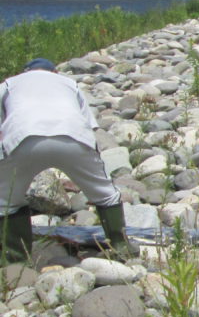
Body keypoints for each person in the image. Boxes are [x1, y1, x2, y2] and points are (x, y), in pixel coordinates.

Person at [0, 58, 136, 262]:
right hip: (72, 135)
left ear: (25, 71)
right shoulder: (69, 84)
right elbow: (90, 124)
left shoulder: (10, 84)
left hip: (24, 138)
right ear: (54, 72)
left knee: (6, 202)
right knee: (105, 194)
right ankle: (120, 245)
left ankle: (16, 261)